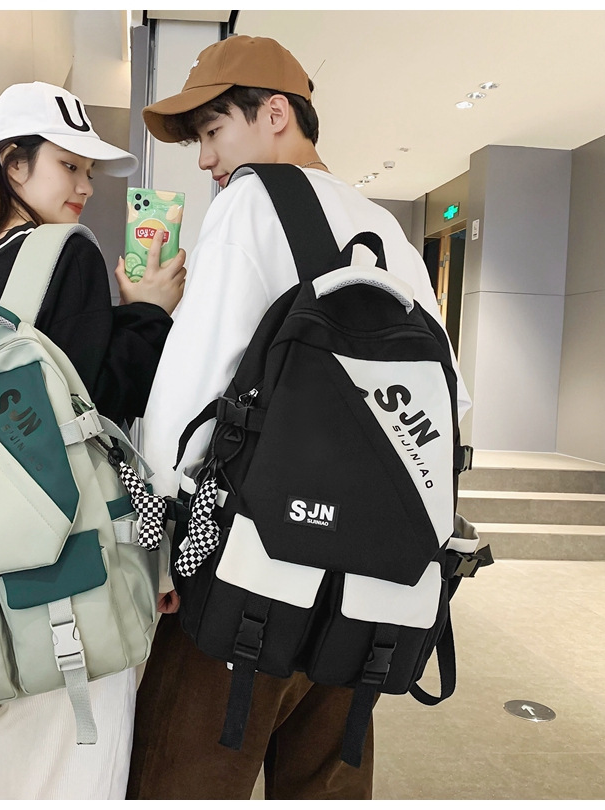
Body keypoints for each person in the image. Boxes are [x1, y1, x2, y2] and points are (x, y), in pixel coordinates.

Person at [126, 36, 472, 800]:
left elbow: (191, 392)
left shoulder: (251, 201)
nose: (206, 160)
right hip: (369, 597)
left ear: (275, 113)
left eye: (212, 132)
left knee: (179, 777)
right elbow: (449, 404)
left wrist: (160, 548)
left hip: (247, 574)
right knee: (325, 784)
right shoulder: (388, 231)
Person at [0, 81, 186, 800]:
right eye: (70, 166)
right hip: (57, 574)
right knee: (63, 769)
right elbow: (94, 403)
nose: (86, 187)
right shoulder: (67, 253)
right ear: (12, 164)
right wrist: (148, 313)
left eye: (88, 170)